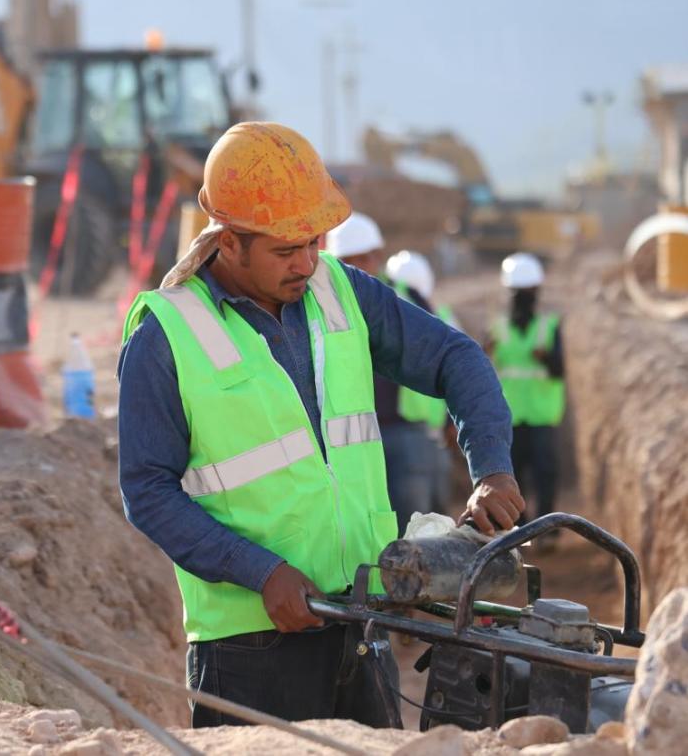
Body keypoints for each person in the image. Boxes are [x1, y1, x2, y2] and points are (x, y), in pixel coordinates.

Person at [117, 121, 524, 729]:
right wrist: (262, 573)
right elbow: (146, 490)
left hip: (364, 625)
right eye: (286, 250)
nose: (308, 262)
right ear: (228, 241)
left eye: (313, 242)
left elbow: (455, 358)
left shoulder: (341, 290)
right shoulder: (165, 337)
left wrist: (491, 466)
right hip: (249, 649)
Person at [488, 252, 564, 538]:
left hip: (542, 414)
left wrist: (546, 358)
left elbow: (560, 369)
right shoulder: (497, 327)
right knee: (513, 477)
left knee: (545, 474)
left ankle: (548, 531)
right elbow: (484, 366)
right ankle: (520, 530)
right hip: (509, 416)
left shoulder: (549, 325)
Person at [382, 250, 458, 529]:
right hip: (422, 434)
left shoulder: (368, 310)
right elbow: (456, 375)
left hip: (373, 435)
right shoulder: (439, 316)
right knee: (427, 528)